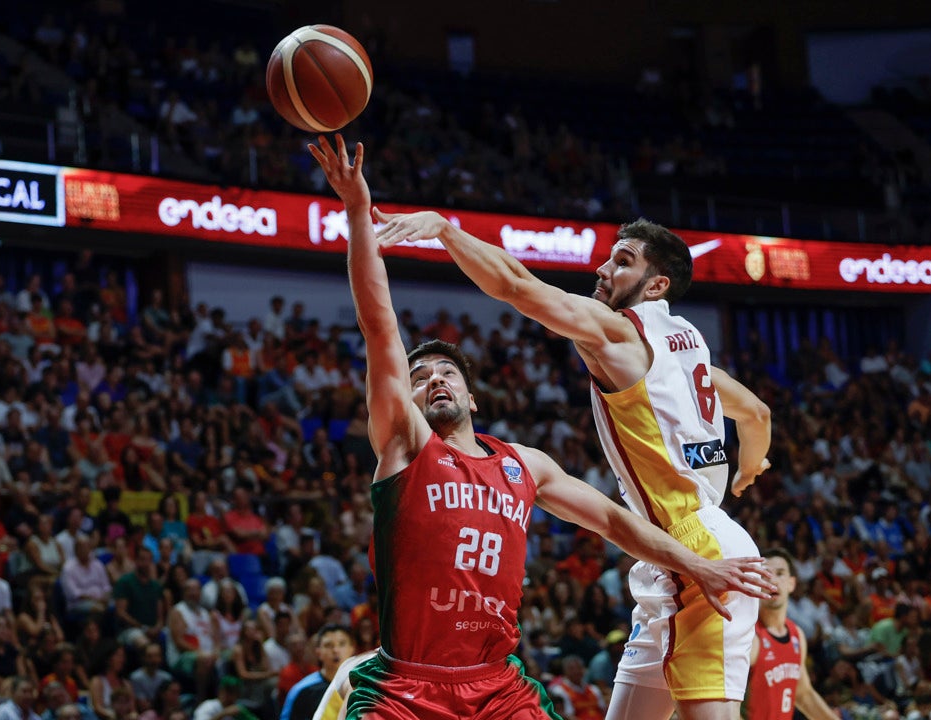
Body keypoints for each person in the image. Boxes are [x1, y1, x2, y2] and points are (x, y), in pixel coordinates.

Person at [307, 135, 772, 720]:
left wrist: (446, 230)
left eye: (622, 262)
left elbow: (517, 288)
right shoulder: (688, 347)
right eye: (420, 376)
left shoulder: (603, 350)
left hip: (680, 551)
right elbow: (756, 414)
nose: (602, 269)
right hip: (422, 677)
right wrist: (749, 468)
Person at [744, 548, 839, 720]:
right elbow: (727, 703)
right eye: (765, 574)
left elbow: (803, 694)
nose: (772, 580)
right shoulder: (749, 635)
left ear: (791, 584)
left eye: (780, 573)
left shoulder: (797, 635)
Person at [279, 624, 355, 720]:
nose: (336, 650)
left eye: (342, 644)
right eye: (328, 645)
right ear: (318, 652)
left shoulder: (364, 685)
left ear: (352, 649)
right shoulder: (302, 690)